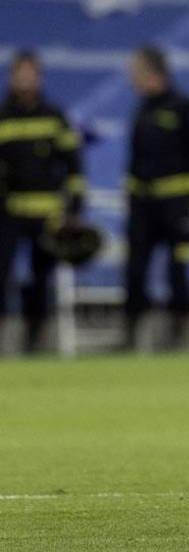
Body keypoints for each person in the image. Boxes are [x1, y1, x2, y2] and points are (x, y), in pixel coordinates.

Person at [125, 46, 189, 349]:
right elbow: (136, 159)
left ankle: (180, 335)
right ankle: (133, 334)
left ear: (151, 72)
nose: (131, 77)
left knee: (179, 269)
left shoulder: (183, 107)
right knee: (135, 269)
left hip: (177, 206)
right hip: (144, 206)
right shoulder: (142, 109)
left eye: (135, 71)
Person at [0, 51, 85, 352]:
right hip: (8, 212)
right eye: (19, 74)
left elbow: (73, 166)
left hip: (47, 213)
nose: (25, 80)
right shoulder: (2, 116)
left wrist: (74, 209)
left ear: (39, 77)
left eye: (30, 73)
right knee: (1, 273)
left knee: (41, 278)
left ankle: (35, 338)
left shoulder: (55, 116)